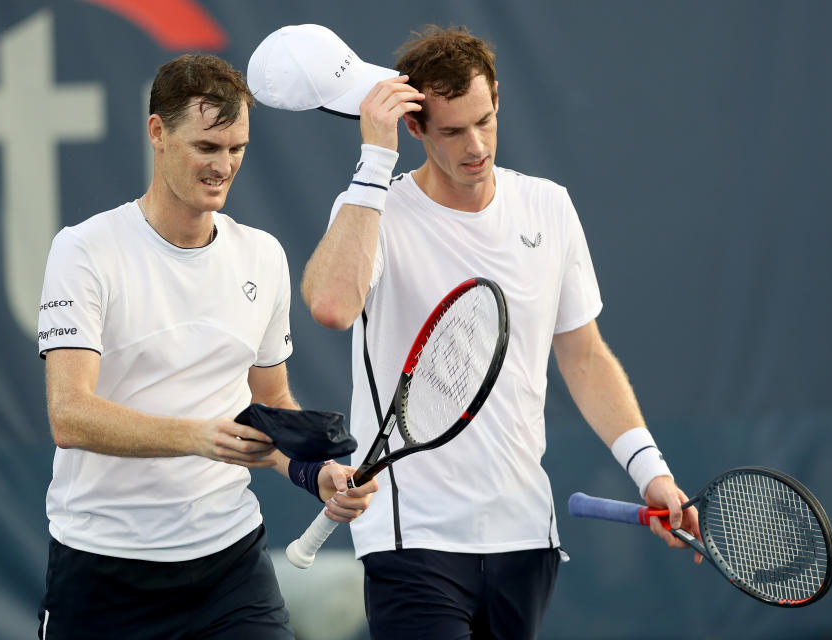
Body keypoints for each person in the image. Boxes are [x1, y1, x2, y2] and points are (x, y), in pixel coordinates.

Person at [299, 26, 702, 639]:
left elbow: (585, 357)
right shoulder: (373, 209)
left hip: (524, 538)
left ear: (498, 100)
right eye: (453, 131)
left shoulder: (548, 206)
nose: (476, 145)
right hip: (412, 538)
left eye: (485, 121)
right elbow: (329, 305)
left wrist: (653, 474)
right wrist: (374, 162)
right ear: (415, 128)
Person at [34, 53, 377, 640]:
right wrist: (198, 436)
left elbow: (268, 405)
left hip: (229, 568)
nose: (224, 166)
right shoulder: (84, 251)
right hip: (103, 572)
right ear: (158, 133)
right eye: (207, 148)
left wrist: (311, 469)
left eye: (236, 149)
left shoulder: (263, 256)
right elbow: (70, 415)